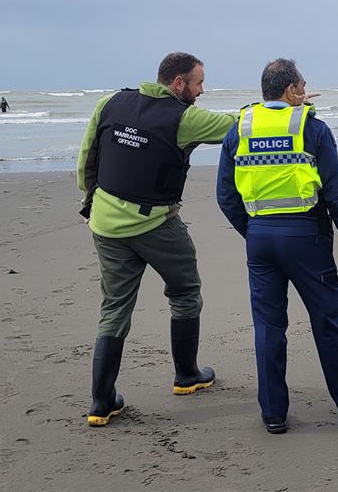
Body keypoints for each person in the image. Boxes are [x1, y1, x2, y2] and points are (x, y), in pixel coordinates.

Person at [76, 52, 238, 427]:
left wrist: (91, 203)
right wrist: (282, 107)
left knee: (114, 308)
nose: (202, 91)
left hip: (105, 224)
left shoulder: (110, 102)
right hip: (155, 225)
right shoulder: (184, 117)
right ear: (178, 83)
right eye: (198, 83)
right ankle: (186, 375)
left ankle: (101, 403)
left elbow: (87, 157)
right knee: (185, 293)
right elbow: (237, 125)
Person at [217, 58, 338, 434]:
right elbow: (336, 191)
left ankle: (273, 414)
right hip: (306, 237)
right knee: (326, 319)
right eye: (303, 84)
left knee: (269, 326)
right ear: (291, 90)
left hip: (260, 238)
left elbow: (225, 195)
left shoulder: (240, 129)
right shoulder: (312, 129)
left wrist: (253, 230)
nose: (307, 89)